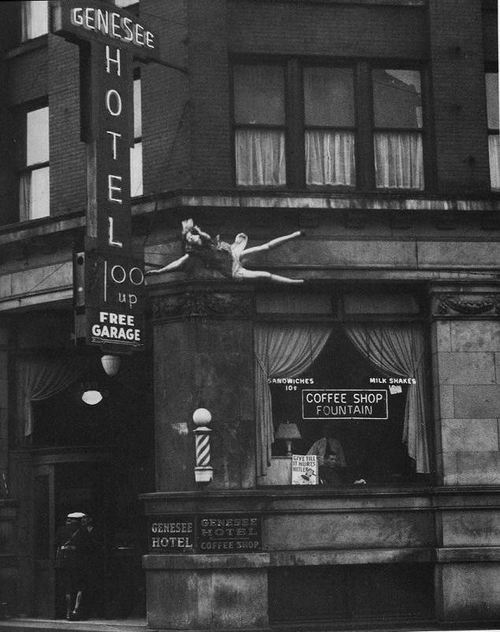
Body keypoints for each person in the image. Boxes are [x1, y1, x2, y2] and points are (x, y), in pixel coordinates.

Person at [147, 219, 304, 284]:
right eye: (189, 239)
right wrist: (159, 271)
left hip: (231, 253)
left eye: (192, 236)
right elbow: (177, 263)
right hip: (232, 269)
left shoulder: (205, 240)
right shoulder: (195, 253)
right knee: (265, 275)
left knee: (265, 247)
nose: (192, 239)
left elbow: (206, 237)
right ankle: (293, 282)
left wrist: (198, 231)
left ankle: (294, 234)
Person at [55, 512, 96, 620]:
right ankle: (76, 610)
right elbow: (89, 547)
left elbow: (56, 543)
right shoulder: (83, 531)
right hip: (79, 563)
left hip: (65, 562)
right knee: (80, 587)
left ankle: (68, 612)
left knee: (67, 587)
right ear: (79, 520)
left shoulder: (61, 530)